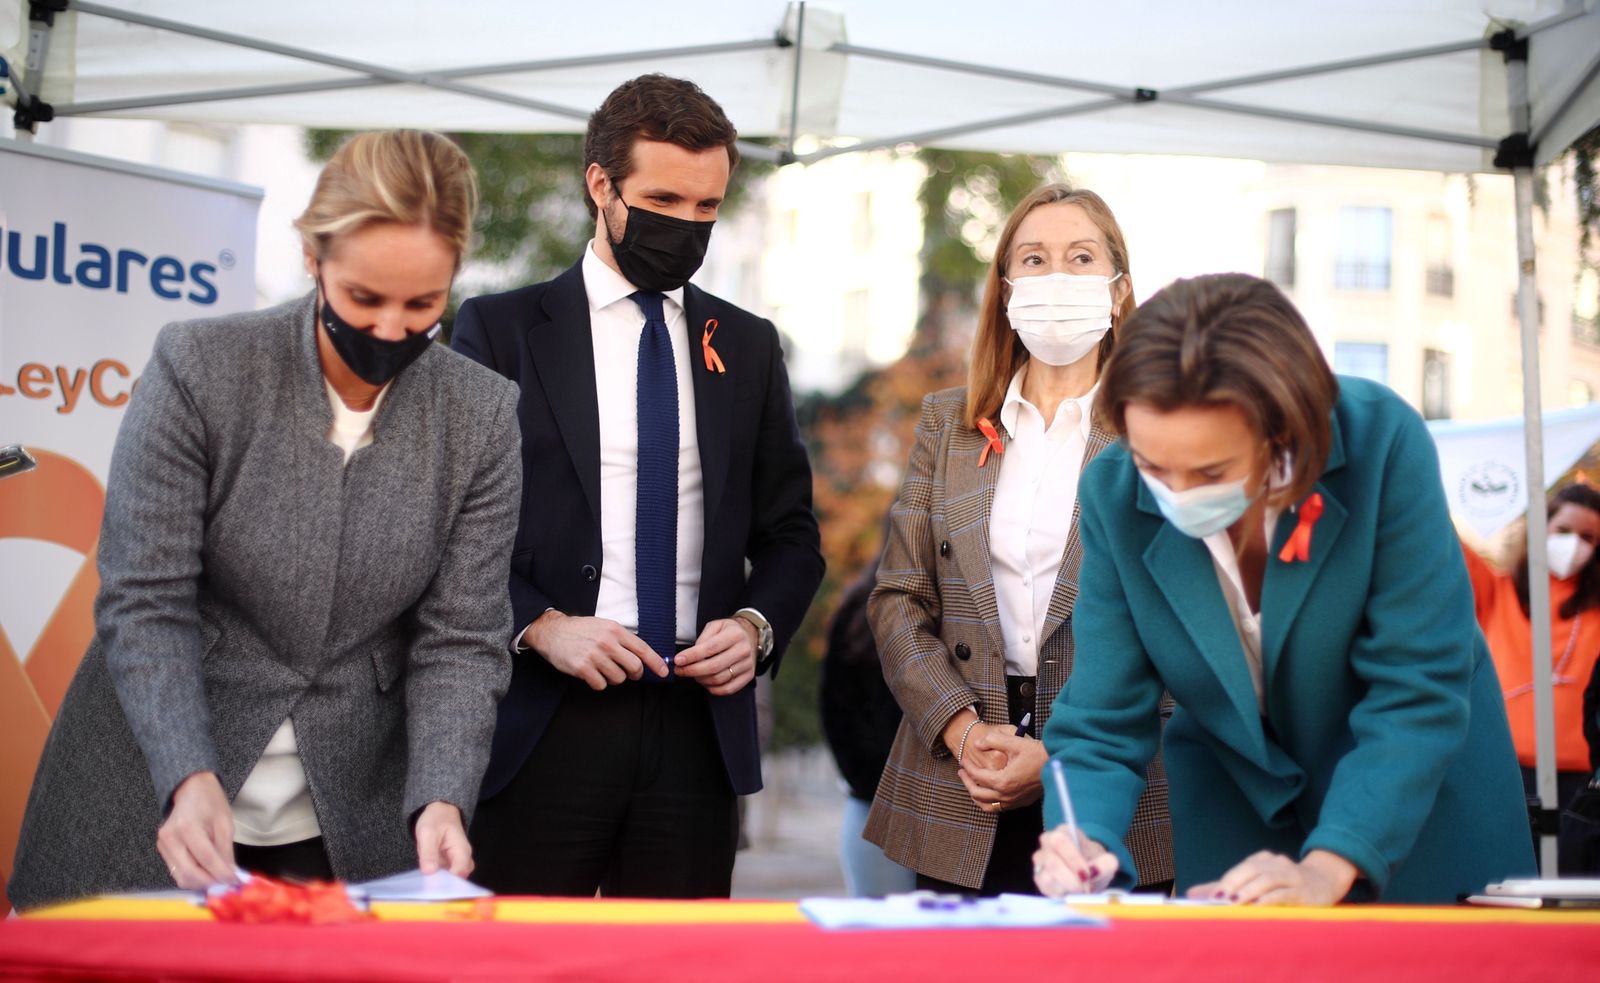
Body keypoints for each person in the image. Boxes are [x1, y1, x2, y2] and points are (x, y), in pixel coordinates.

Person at [8, 130, 521, 911]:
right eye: (364, 297)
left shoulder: (481, 415)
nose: (390, 329)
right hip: (154, 787)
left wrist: (443, 794)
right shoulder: (202, 367)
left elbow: (462, 636)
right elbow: (146, 598)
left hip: (352, 812)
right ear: (313, 260)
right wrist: (187, 771)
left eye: (422, 304)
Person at [1032, 272, 1534, 905]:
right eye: (1152, 465)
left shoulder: (1382, 442)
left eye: (1210, 470)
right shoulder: (1111, 493)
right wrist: (1082, 836)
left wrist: (1329, 865)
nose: (1175, 495)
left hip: (1411, 808)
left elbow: (1416, 687)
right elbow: (1101, 718)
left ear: (1284, 433)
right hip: (1238, 815)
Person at [451, 73, 824, 899]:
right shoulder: (499, 332)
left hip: (698, 734)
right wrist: (539, 625)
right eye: (665, 199)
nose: (688, 226)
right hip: (541, 721)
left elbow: (792, 535)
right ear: (601, 186)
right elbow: (446, 532)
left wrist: (758, 625)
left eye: (707, 209)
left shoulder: (750, 346)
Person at [865, 185, 1173, 896]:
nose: (1057, 276)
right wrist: (963, 729)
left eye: (1081, 257)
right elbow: (899, 598)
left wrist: (1061, 754)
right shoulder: (950, 423)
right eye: (1033, 258)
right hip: (963, 772)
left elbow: (1180, 622)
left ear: (1119, 288)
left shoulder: (1157, 428)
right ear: (1006, 288)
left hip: (1115, 776)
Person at [1461, 483, 1600, 874]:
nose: (1575, 545)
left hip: (1581, 782)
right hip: (1508, 775)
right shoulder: (1498, 590)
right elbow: (1444, 543)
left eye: (1589, 538)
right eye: (1564, 531)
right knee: (1513, 884)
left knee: (1571, 895)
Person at [820, 550, 916, 897]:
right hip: (876, 804)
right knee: (884, 937)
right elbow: (836, 709)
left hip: (882, 798)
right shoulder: (861, 606)